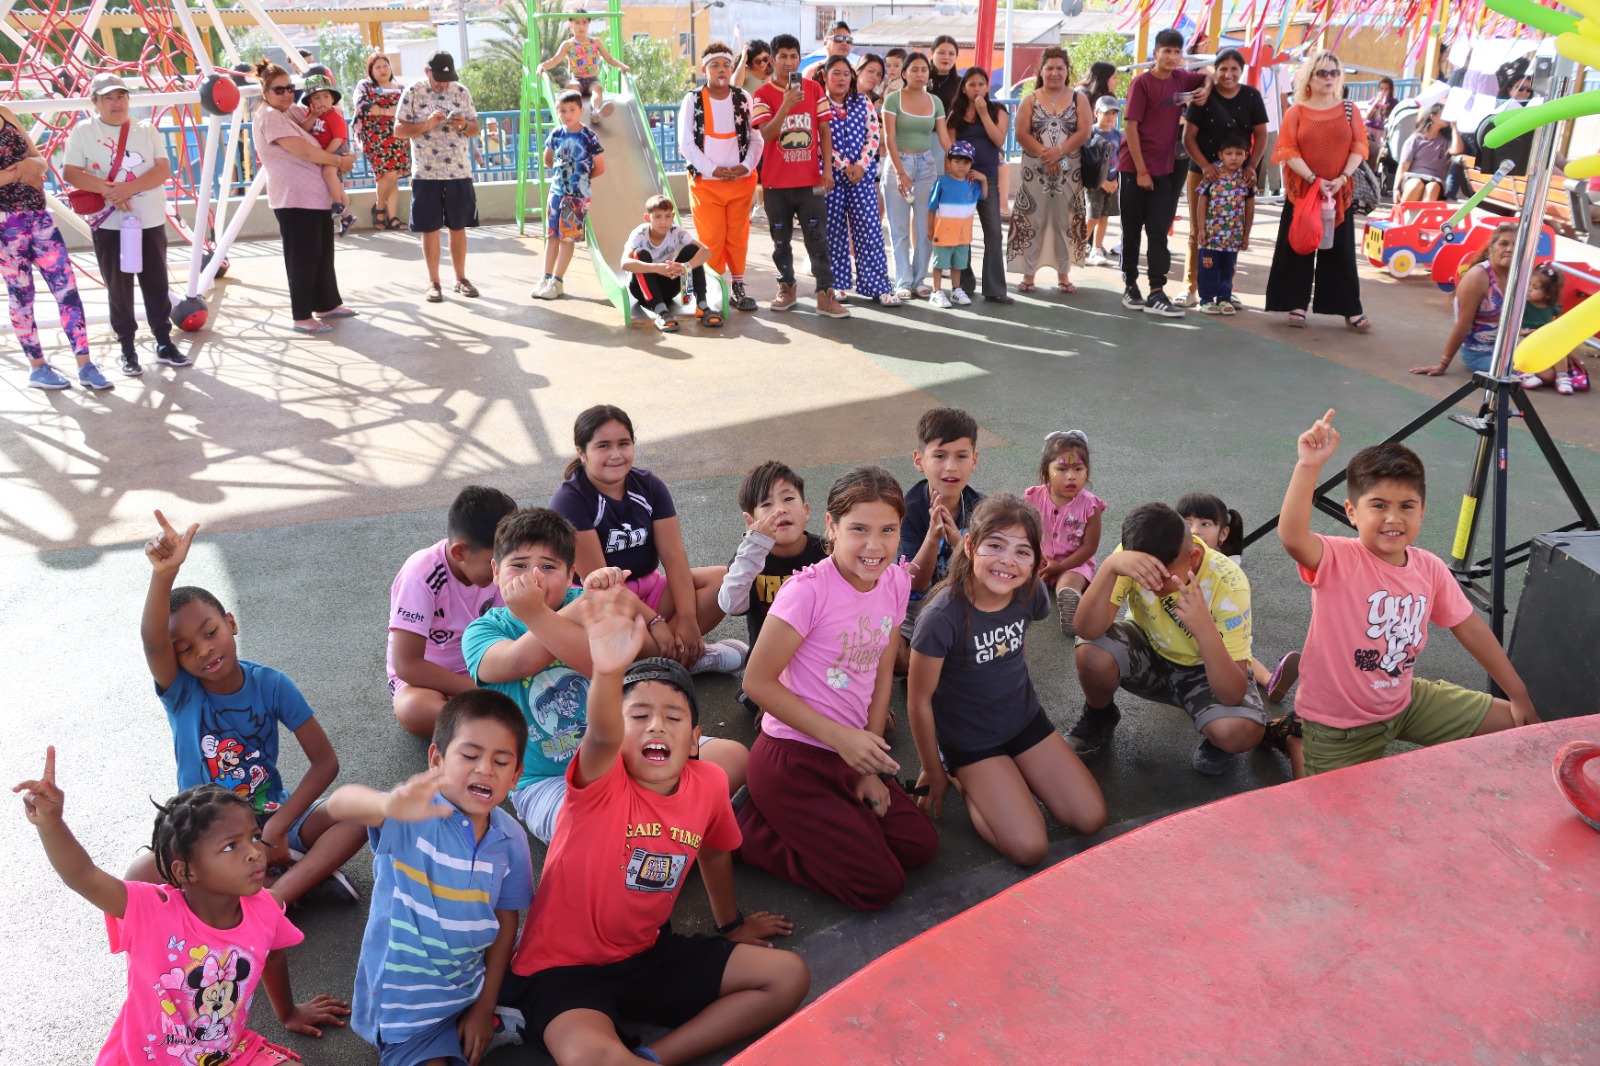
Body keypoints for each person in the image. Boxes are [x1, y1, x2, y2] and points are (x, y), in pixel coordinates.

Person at [502, 585, 808, 1064]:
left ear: (695, 739)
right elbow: (601, 733)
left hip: (647, 956)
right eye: (638, 716)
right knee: (591, 1059)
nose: (656, 726)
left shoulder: (708, 782)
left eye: (673, 717)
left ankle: (654, 1057)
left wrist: (730, 925)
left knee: (788, 976)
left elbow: (714, 851)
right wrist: (608, 670)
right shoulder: (599, 781)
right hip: (563, 971)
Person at [14, 760, 350, 1062]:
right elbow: (84, 876)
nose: (254, 852)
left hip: (224, 1053)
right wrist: (51, 824)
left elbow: (272, 956)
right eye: (231, 846)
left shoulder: (266, 907)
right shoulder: (151, 911)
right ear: (186, 872)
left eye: (255, 836)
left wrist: (288, 1013)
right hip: (145, 1058)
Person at [462, 508, 752, 845]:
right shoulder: (483, 631)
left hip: (628, 750)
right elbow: (518, 661)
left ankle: (658, 834)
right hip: (548, 781)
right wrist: (556, 609)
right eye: (520, 565)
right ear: (496, 571)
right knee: (588, 832)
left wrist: (586, 604)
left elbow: (596, 663)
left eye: (549, 566)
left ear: (571, 574)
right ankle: (676, 831)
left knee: (733, 759)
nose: (534, 577)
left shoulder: (587, 603)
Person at [1276, 410, 1538, 778]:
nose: (1393, 518)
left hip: (1404, 700)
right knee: (1331, 811)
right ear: (1352, 512)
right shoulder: (1339, 557)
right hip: (1339, 725)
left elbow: (1472, 629)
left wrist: (1518, 693)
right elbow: (1292, 537)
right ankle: (1296, 739)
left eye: (1406, 506)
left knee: (1517, 721)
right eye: (1379, 505)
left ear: (1422, 512)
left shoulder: (1429, 567)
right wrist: (1308, 465)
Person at [134, 509, 369, 905]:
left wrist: (277, 826)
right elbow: (153, 641)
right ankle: (289, 881)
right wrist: (164, 575)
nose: (203, 649)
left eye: (210, 632)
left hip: (269, 820)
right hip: (203, 835)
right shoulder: (181, 692)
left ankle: (275, 895)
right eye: (185, 649)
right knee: (137, 876)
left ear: (231, 622)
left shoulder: (272, 684)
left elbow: (325, 762)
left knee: (360, 809)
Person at [737, 466, 940, 911]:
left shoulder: (896, 581)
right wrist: (844, 740)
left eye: (888, 530)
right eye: (859, 529)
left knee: (919, 846)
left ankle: (825, 818)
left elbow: (882, 673)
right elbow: (756, 681)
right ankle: (748, 831)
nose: (875, 546)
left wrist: (869, 764)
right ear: (831, 526)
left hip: (849, 752)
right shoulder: (805, 592)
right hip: (792, 756)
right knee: (879, 885)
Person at [907, 495, 1106, 867]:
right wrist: (933, 767)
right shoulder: (941, 616)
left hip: (1024, 722)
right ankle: (963, 778)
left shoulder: (1028, 592)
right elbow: (918, 700)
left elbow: (1016, 648)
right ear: (970, 545)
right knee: (1029, 848)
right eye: (995, 545)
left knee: (1090, 817)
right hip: (971, 741)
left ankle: (1008, 776)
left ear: (1036, 561)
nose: (1008, 561)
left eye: (1022, 552)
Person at [334, 693, 531, 1066]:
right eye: (470, 755)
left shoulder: (511, 839)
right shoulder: (413, 815)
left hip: (471, 986)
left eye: (501, 761)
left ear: (516, 775)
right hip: (408, 1011)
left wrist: (483, 1004)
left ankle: (489, 1015)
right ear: (436, 760)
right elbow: (340, 803)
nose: (485, 769)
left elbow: (507, 920)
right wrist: (384, 806)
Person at [1068, 502, 1267, 776]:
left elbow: (1232, 694)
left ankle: (1215, 736)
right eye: (1144, 575)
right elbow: (1086, 629)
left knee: (1240, 732)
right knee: (1091, 651)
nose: (1151, 584)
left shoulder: (1229, 582)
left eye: (1161, 577)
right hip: (1148, 650)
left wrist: (1205, 630)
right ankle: (1099, 714)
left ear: (1193, 558)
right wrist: (1111, 566)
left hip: (1204, 670)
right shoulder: (1132, 557)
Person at [549, 405, 744, 672]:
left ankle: (669, 658)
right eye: (603, 446)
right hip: (600, 605)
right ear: (581, 452)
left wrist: (688, 620)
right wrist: (655, 622)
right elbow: (603, 587)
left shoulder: (649, 486)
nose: (616, 455)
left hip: (648, 589)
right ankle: (676, 661)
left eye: (624, 444)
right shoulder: (570, 500)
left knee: (722, 580)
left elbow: (674, 556)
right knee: (614, 625)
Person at [62, 72, 186, 377]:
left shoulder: (146, 129)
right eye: (108, 98)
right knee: (118, 287)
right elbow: (71, 172)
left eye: (121, 96)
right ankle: (127, 348)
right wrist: (110, 191)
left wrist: (127, 189)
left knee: (156, 281)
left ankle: (163, 342)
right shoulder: (83, 131)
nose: (116, 103)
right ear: (95, 102)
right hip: (109, 223)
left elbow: (163, 169)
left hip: (149, 219)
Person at [387, 484, 518, 739]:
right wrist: (480, 692)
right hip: (427, 683)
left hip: (487, 668)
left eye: (509, 560)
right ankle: (497, 726)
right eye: (492, 562)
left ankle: (490, 724)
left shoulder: (501, 568)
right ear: (459, 552)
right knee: (413, 709)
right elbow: (407, 664)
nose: (501, 571)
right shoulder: (421, 573)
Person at [1265, 51, 1371, 332]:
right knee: (1299, 245)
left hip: (1338, 191)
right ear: (1309, 78)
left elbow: (1359, 146)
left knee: (1341, 251)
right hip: (1303, 190)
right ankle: (1296, 304)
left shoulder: (1349, 109)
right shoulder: (1296, 111)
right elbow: (1287, 150)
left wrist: (1342, 178)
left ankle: (1350, 309)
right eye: (1322, 72)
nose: (1329, 78)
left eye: (1334, 72)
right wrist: (1313, 179)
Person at [249, 62, 357, 331]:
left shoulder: (291, 111)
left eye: (289, 88)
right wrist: (338, 161)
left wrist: (342, 152)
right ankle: (302, 315)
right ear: (264, 91)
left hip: (316, 195)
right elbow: (304, 151)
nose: (286, 93)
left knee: (321, 254)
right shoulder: (269, 116)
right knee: (303, 258)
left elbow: (323, 120)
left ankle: (326, 304)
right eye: (279, 90)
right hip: (294, 197)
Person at [2, 102, 101, 390]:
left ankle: (85, 365)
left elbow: (41, 160)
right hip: (5, 226)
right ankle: (37, 367)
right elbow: (30, 166)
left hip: (39, 217)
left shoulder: (4, 112)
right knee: (22, 296)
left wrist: (31, 166)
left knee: (67, 290)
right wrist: (21, 171)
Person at [1118, 27, 1213, 318]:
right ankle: (1130, 285)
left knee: (1159, 231)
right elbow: (1130, 127)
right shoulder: (1141, 83)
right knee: (1132, 229)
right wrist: (1141, 170)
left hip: (1164, 170)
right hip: (1134, 168)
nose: (1172, 56)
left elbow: (1208, 73)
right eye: (1167, 51)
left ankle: (1157, 291)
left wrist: (1207, 88)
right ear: (1156, 53)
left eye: (1176, 51)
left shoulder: (1181, 77)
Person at [1174, 491, 1301, 709]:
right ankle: (1268, 679)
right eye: (1187, 524)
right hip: (1181, 630)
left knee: (1236, 652)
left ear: (1223, 533)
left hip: (1214, 630)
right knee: (1235, 651)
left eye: (1205, 524)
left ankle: (1270, 680)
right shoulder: (1172, 557)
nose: (1195, 530)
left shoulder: (1227, 567)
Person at [752, 34, 847, 317]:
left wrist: (827, 169)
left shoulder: (814, 88)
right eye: (782, 56)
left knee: (818, 240)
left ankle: (825, 295)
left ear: (799, 59)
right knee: (780, 242)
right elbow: (767, 134)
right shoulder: (762, 94)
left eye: (794, 56)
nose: (789, 62)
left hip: (810, 183)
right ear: (772, 60)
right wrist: (786, 104)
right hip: (775, 184)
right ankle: (787, 287)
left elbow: (824, 131)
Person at [896, 406, 982, 673]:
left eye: (961, 456)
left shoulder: (982, 510)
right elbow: (912, 586)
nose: (951, 467)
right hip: (916, 606)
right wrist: (932, 539)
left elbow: (986, 576)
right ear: (919, 460)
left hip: (962, 599)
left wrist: (959, 545)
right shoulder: (906, 511)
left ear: (974, 460)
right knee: (899, 659)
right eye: (940, 455)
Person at [679, 42, 762, 313]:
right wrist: (712, 169)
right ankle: (713, 291)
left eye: (726, 65)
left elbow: (756, 137)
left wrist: (745, 166)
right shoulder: (692, 99)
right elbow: (686, 144)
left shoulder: (743, 98)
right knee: (711, 238)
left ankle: (738, 287)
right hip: (706, 185)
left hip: (741, 183)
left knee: (738, 236)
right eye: (714, 65)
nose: (721, 70)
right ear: (704, 69)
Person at [1181, 49, 1267, 308]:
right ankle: (1190, 287)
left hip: (1237, 176)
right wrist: (1206, 166)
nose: (1228, 74)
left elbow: (1261, 134)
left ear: (1241, 71)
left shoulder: (1251, 96)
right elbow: (1188, 137)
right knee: (1198, 230)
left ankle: (1224, 291)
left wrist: (1251, 166)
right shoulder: (1204, 96)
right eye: (1223, 69)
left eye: (1234, 69)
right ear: (1216, 70)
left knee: (1232, 229)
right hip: (1203, 172)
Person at [396, 51, 481, 304]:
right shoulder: (413, 92)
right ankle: (433, 282)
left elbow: (475, 128)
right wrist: (426, 124)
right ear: (427, 72)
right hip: (425, 173)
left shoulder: (461, 92)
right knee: (430, 228)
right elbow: (398, 130)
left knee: (458, 227)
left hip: (459, 170)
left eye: (447, 79)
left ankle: (461, 278)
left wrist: (463, 125)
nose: (443, 84)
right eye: (438, 79)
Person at [718, 460, 829, 652]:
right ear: (752, 521)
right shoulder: (748, 559)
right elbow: (731, 605)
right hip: (767, 662)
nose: (780, 509)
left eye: (788, 498)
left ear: (806, 511)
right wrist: (754, 546)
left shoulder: (827, 552)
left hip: (819, 659)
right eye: (766, 504)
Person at [1006, 46, 1091, 295]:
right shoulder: (1030, 100)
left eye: (1060, 68)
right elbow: (1021, 133)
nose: (1055, 73)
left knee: (1064, 221)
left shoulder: (1079, 98)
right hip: (1035, 171)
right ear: (1041, 71)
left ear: (1067, 71)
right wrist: (1047, 154)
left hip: (1069, 172)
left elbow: (1085, 131)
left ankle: (1063, 275)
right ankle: (1028, 274)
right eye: (1050, 68)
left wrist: (1060, 151)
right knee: (1034, 220)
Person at [824, 54, 897, 306]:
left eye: (846, 74)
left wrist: (861, 165)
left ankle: (878, 285)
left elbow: (873, 135)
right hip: (831, 176)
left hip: (862, 176)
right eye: (836, 73)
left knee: (870, 228)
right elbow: (819, 140)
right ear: (825, 76)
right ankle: (837, 284)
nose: (841, 78)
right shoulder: (819, 104)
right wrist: (845, 166)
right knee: (833, 230)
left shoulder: (863, 102)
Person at [1023, 430, 1105, 638]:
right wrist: (1036, 557)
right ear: (1045, 471)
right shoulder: (1033, 498)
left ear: (1087, 471)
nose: (1071, 476)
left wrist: (1061, 566)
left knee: (1068, 584)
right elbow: (1024, 531)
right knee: (1022, 577)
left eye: (1078, 469)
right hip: (1039, 559)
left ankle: (1072, 610)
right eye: (1061, 469)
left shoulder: (1090, 506)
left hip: (1074, 562)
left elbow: (1089, 547)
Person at [883, 51, 949, 300]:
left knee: (926, 227)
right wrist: (900, 173)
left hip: (926, 166)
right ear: (904, 73)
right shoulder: (893, 99)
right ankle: (903, 281)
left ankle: (919, 279)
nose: (920, 74)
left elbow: (944, 138)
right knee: (899, 229)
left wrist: (960, 162)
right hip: (898, 164)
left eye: (924, 70)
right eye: (914, 69)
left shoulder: (935, 101)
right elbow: (889, 138)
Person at [1411, 221, 1513, 377]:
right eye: (1503, 244)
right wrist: (1443, 364)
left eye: (1515, 245)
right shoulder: (1479, 276)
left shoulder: (1518, 275)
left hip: (1509, 350)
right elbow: (1463, 324)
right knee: (1537, 371)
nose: (1510, 249)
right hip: (1481, 354)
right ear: (1491, 249)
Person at [949, 66, 1013, 303]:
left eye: (981, 84)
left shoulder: (998, 110)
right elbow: (951, 149)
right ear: (964, 88)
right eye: (972, 84)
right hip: (963, 180)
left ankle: (994, 288)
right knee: (961, 232)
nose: (977, 89)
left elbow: (998, 139)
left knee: (994, 232)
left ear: (987, 87)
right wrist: (957, 174)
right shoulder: (955, 114)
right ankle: (964, 284)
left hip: (989, 178)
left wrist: (983, 113)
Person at [536, 90, 604, 300]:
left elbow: (600, 167)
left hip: (576, 196)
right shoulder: (557, 134)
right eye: (563, 110)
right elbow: (548, 158)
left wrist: (581, 180)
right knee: (552, 236)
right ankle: (546, 277)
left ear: (581, 110)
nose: (567, 114)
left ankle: (557, 281)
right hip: (556, 192)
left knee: (567, 238)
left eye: (572, 110)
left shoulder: (588, 136)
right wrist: (561, 177)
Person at [622, 194, 712, 332]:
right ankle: (661, 312)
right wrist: (657, 268)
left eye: (667, 216)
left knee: (693, 249)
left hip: (669, 286)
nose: (663, 222)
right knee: (640, 253)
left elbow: (706, 251)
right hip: (641, 289)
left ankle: (702, 305)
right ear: (647, 218)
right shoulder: (639, 234)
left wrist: (685, 267)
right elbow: (624, 263)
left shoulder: (676, 231)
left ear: (673, 216)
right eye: (657, 217)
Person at [1194, 132, 1255, 315]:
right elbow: (1202, 202)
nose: (1233, 158)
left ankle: (1224, 299)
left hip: (1233, 237)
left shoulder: (1247, 179)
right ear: (1221, 155)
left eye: (1239, 153)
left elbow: (1250, 208)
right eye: (1229, 153)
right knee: (1208, 268)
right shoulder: (1212, 175)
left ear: (1246, 155)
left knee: (1228, 270)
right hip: (1211, 236)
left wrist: (1246, 235)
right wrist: (1201, 229)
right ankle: (1206, 299)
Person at [537, 12, 629, 121]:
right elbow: (555, 60)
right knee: (571, 87)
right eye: (577, 22)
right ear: (570, 25)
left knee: (597, 89)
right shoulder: (568, 44)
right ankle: (572, 111)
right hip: (577, 80)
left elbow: (609, 59)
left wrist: (622, 66)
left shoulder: (595, 42)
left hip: (592, 80)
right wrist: (542, 66)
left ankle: (595, 112)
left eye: (584, 23)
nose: (581, 26)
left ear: (588, 24)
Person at [293, 74, 355, 237]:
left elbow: (338, 139)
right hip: (324, 152)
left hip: (336, 150)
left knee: (328, 172)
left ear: (332, 98)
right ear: (310, 102)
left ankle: (337, 204)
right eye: (317, 98)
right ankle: (346, 217)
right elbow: (303, 129)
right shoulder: (310, 114)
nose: (322, 101)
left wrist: (325, 156)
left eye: (326, 96)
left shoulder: (335, 116)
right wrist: (313, 116)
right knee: (338, 188)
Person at [353, 53, 409, 230]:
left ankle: (392, 217)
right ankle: (379, 207)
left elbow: (408, 109)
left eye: (385, 66)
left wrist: (381, 109)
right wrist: (387, 111)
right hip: (374, 137)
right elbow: (362, 106)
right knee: (388, 173)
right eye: (377, 67)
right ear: (371, 70)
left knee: (392, 175)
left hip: (397, 136)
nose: (382, 70)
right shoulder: (364, 86)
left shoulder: (400, 88)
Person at [927, 140, 985, 308]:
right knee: (939, 263)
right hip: (943, 233)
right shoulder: (941, 183)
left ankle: (956, 290)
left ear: (971, 165)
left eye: (966, 162)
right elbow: (931, 208)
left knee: (958, 264)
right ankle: (936, 292)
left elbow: (985, 196)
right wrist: (930, 229)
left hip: (962, 234)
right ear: (948, 162)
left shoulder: (972, 184)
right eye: (957, 161)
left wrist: (984, 179)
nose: (961, 166)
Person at [1518, 264, 1587, 392]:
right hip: (1524, 340)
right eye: (1529, 285)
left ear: (1548, 294)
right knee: (1521, 344)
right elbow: (1514, 326)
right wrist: (1524, 332)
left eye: (1535, 287)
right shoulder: (1523, 305)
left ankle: (1562, 377)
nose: (1529, 289)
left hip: (1542, 344)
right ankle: (1526, 373)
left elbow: (1551, 329)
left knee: (1558, 346)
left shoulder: (1550, 309)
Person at [1395, 103, 1460, 203]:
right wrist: (1396, 189)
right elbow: (1404, 166)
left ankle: (1424, 213)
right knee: (1416, 184)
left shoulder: (1445, 140)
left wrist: (1454, 127)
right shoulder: (1415, 138)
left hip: (1435, 179)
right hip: (1413, 176)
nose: (1446, 117)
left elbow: (1457, 150)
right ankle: (1402, 211)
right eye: (1443, 114)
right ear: (1432, 117)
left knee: (1432, 187)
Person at [1085, 97, 1122, 266]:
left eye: (1114, 113)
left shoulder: (1117, 135)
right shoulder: (1090, 133)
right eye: (1106, 113)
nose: (1110, 117)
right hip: (1095, 185)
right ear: (1096, 113)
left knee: (1104, 217)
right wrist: (1102, 182)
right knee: (1092, 217)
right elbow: (1086, 162)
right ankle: (1078, 247)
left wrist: (1115, 180)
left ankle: (1097, 248)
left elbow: (1121, 158)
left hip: (1112, 184)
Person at [1364, 75, 1398, 172]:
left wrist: (1386, 111)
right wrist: (1376, 102)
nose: (1384, 92)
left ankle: (1372, 173)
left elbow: (1391, 121)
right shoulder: (1373, 100)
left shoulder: (1394, 103)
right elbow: (1368, 116)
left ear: (1391, 90)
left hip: (1382, 132)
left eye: (1386, 89)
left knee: (1377, 155)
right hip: (1370, 129)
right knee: (1366, 152)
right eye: (1381, 89)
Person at [928, 35, 963, 116]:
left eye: (951, 54)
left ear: (956, 57)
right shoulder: (921, 79)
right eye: (941, 52)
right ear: (932, 54)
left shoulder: (962, 84)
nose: (946, 57)